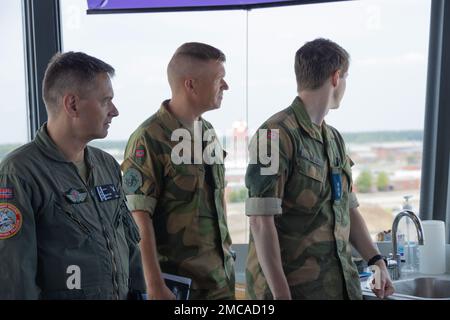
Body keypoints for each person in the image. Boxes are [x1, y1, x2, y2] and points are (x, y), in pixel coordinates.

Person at [244, 38, 394, 300]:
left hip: (338, 288)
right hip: (293, 291)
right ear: (336, 77)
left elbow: (347, 207)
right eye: (345, 77)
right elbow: (260, 221)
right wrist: (282, 296)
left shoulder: (334, 139)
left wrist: (376, 259)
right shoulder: (274, 136)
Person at [0, 52, 145, 299]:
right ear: (72, 105)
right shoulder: (19, 173)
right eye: (105, 101)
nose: (115, 111)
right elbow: (15, 276)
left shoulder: (106, 165)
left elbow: (128, 244)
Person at [121, 42, 235, 300]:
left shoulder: (208, 133)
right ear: (190, 84)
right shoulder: (149, 138)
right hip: (179, 289)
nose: (226, 86)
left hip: (219, 281)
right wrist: (154, 286)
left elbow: (217, 198)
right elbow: (138, 216)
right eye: (219, 79)